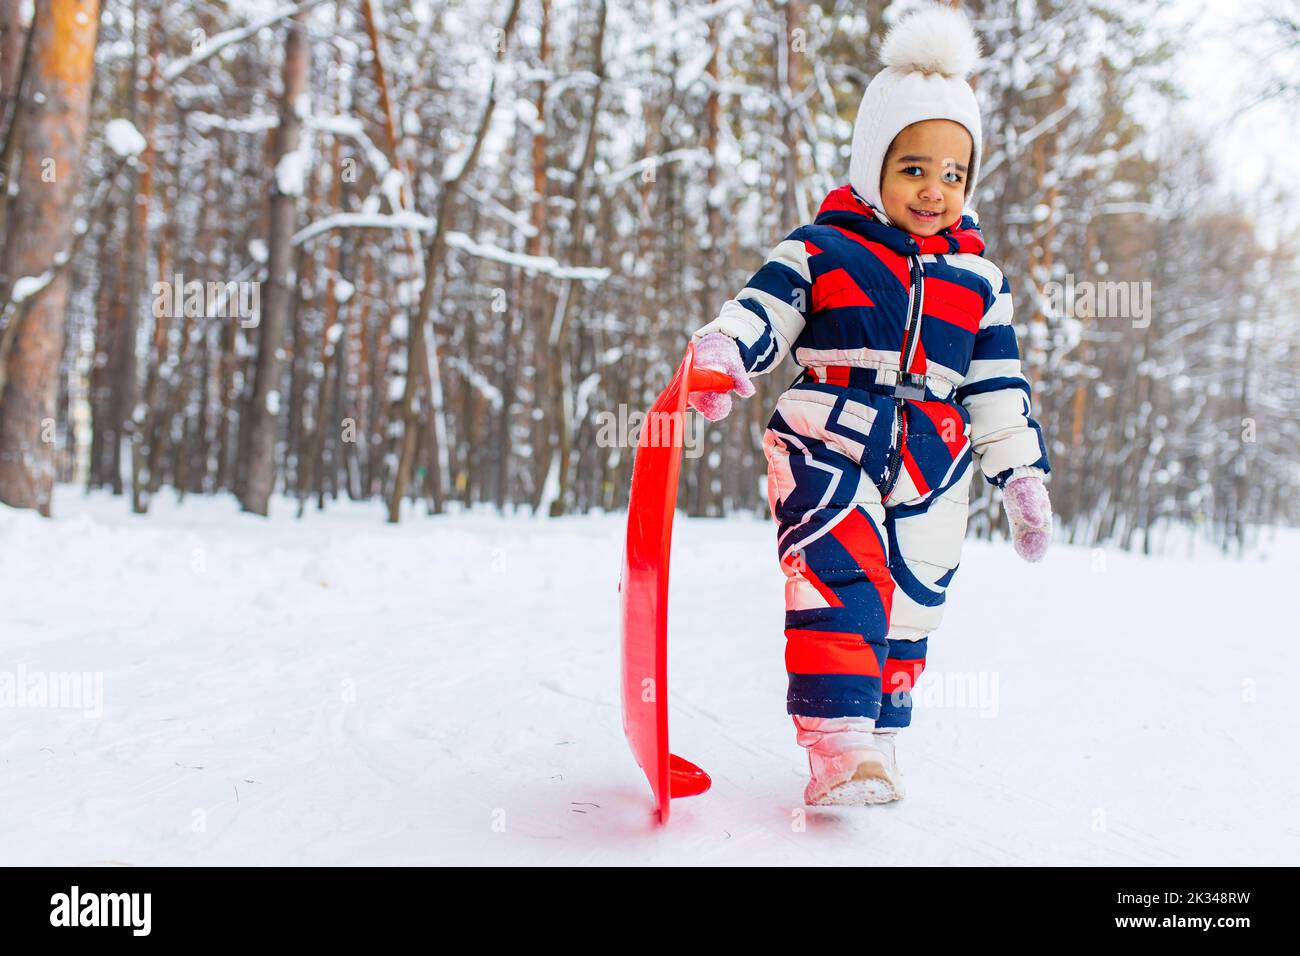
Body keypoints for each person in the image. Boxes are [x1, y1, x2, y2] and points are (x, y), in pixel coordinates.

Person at [686, 2, 1053, 806]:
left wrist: (1019, 478)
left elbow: (998, 390)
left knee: (913, 604)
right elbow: (762, 309)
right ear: (871, 162)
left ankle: (877, 738)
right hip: (829, 437)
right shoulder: (823, 248)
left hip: (935, 458)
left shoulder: (980, 283)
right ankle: (837, 745)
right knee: (840, 574)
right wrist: (720, 355)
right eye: (913, 167)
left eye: (953, 173)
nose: (935, 190)